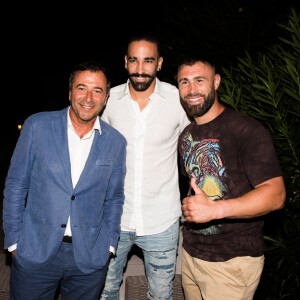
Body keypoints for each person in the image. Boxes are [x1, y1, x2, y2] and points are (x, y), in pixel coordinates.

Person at [2, 60, 127, 300]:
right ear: (70, 91)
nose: (88, 97)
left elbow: (114, 198)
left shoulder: (116, 142)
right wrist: (15, 241)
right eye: (82, 88)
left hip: (89, 258)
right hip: (34, 250)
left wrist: (109, 245)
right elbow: (16, 184)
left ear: (106, 97)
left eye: (97, 90)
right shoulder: (37, 126)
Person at [176, 57, 286, 300]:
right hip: (192, 255)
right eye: (184, 82)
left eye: (199, 80)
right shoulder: (186, 135)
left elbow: (275, 194)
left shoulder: (245, 130)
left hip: (232, 262)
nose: (191, 89)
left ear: (216, 82)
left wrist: (215, 210)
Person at [100, 34, 190, 300]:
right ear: (125, 62)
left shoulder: (177, 100)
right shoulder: (109, 99)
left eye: (148, 61)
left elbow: (195, 147)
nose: (140, 69)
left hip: (162, 219)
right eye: (134, 60)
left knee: (161, 295)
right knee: (105, 291)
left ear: (159, 63)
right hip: (113, 218)